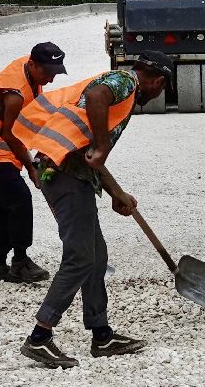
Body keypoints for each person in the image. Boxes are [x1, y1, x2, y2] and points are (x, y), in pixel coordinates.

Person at [9, 54, 175, 368]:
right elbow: (97, 102)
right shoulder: (125, 82)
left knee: (96, 256)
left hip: (69, 172)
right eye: (162, 89)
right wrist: (101, 145)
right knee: (81, 256)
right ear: (158, 81)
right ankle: (39, 337)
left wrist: (115, 193)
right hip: (64, 175)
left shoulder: (119, 88)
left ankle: (102, 334)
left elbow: (90, 159)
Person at [0, 41, 66, 284]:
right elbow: (9, 134)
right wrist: (31, 166)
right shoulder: (14, 94)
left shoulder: (31, 66)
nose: (51, 80)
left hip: (5, 150)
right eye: (47, 73)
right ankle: (20, 263)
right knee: (20, 200)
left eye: (55, 73)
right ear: (33, 65)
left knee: (1, 202)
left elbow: (33, 119)